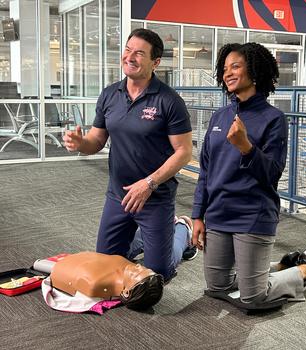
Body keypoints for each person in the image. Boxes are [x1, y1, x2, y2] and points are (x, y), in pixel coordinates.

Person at [191, 42, 306, 308]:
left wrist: (245, 146)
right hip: (219, 214)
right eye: (225, 68)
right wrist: (198, 215)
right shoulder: (219, 117)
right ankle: (281, 264)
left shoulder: (273, 118)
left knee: (253, 296)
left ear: (254, 72)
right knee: (217, 287)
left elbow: (272, 174)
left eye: (236, 66)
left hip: (252, 214)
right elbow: (205, 171)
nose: (227, 73)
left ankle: (305, 269)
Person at [63, 28, 193, 282]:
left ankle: (181, 231)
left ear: (155, 62)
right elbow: (97, 141)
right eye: (127, 49)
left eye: (139, 53)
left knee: (159, 274)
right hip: (119, 195)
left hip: (154, 196)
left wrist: (149, 183)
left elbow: (184, 152)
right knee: (105, 266)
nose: (129, 57)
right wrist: (81, 144)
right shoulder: (110, 94)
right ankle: (149, 236)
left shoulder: (169, 100)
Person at [50, 251, 164, 310]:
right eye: (144, 268)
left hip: (64, 265)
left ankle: (181, 226)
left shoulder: (95, 282)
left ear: (126, 292)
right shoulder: (128, 269)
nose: (138, 265)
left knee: (163, 266)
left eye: (136, 273)